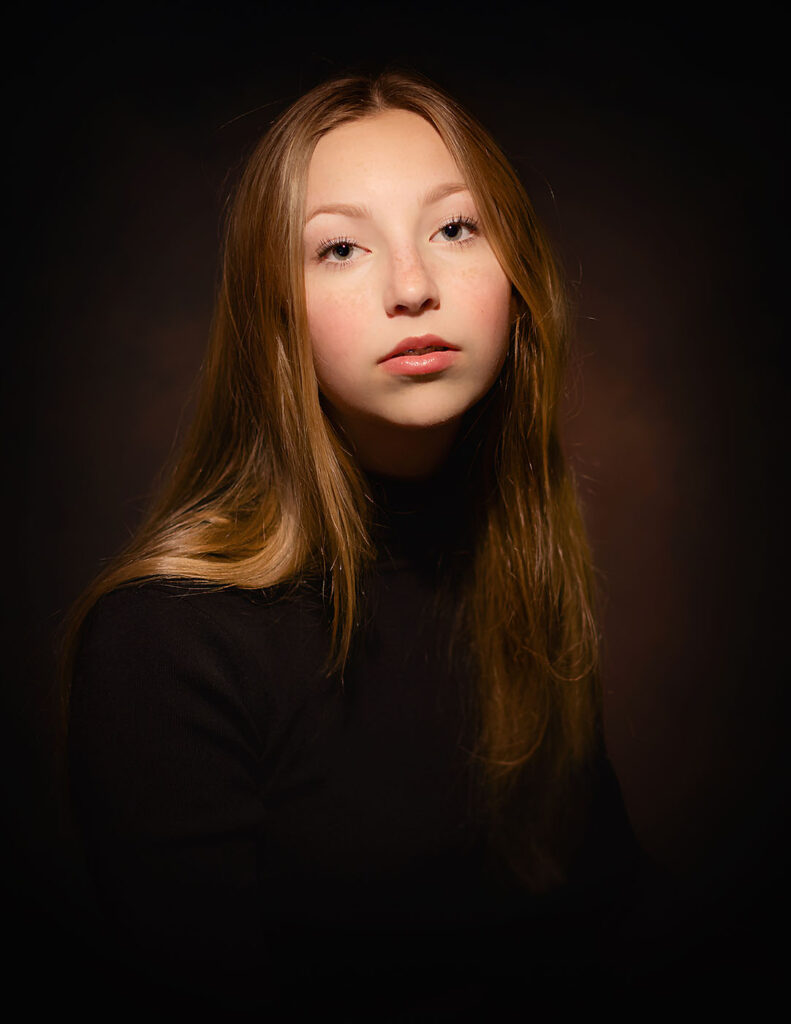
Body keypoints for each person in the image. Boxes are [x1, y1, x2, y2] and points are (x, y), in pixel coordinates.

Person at [63, 69, 646, 1015]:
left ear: (518, 274)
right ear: (272, 312)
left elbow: (612, 942)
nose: (412, 287)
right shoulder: (166, 642)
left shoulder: (523, 575)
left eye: (455, 228)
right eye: (339, 247)